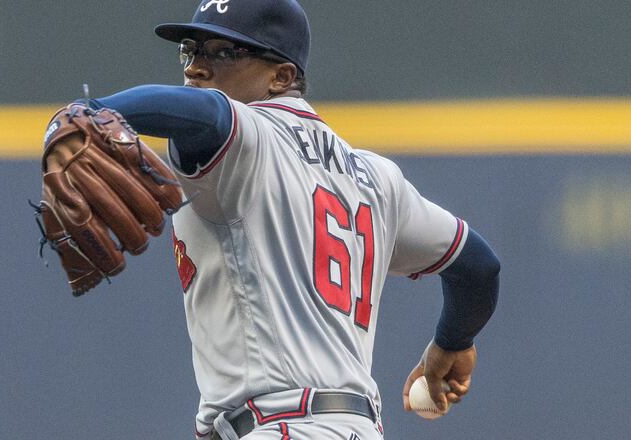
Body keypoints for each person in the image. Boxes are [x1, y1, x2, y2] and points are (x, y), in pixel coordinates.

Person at [47, 0, 500, 438]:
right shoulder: (378, 179)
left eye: (224, 52)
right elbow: (478, 266)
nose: (195, 68)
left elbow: (203, 113)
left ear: (281, 76)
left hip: (277, 426)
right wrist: (452, 343)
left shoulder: (246, 140)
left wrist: (83, 113)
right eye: (191, 50)